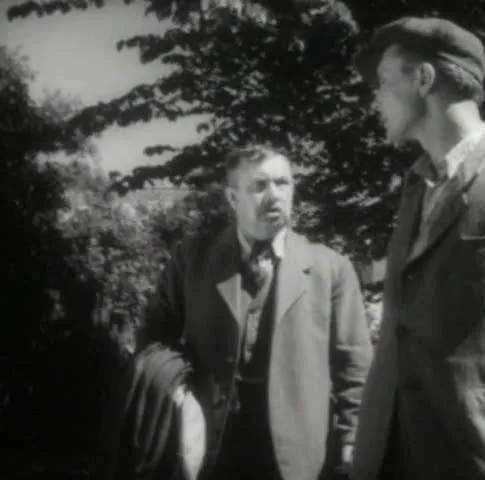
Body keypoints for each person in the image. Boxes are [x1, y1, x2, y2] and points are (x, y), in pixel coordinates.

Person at [96, 145, 372, 480]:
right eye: (259, 186)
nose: (274, 196)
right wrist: (177, 390)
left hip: (299, 450)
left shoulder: (331, 268)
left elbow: (354, 364)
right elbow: (155, 335)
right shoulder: (192, 259)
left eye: (283, 183)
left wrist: (352, 436)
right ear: (232, 197)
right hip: (210, 442)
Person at [351, 16, 485, 480]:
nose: (375, 99)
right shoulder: (417, 185)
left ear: (424, 79)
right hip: (391, 453)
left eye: (385, 83)